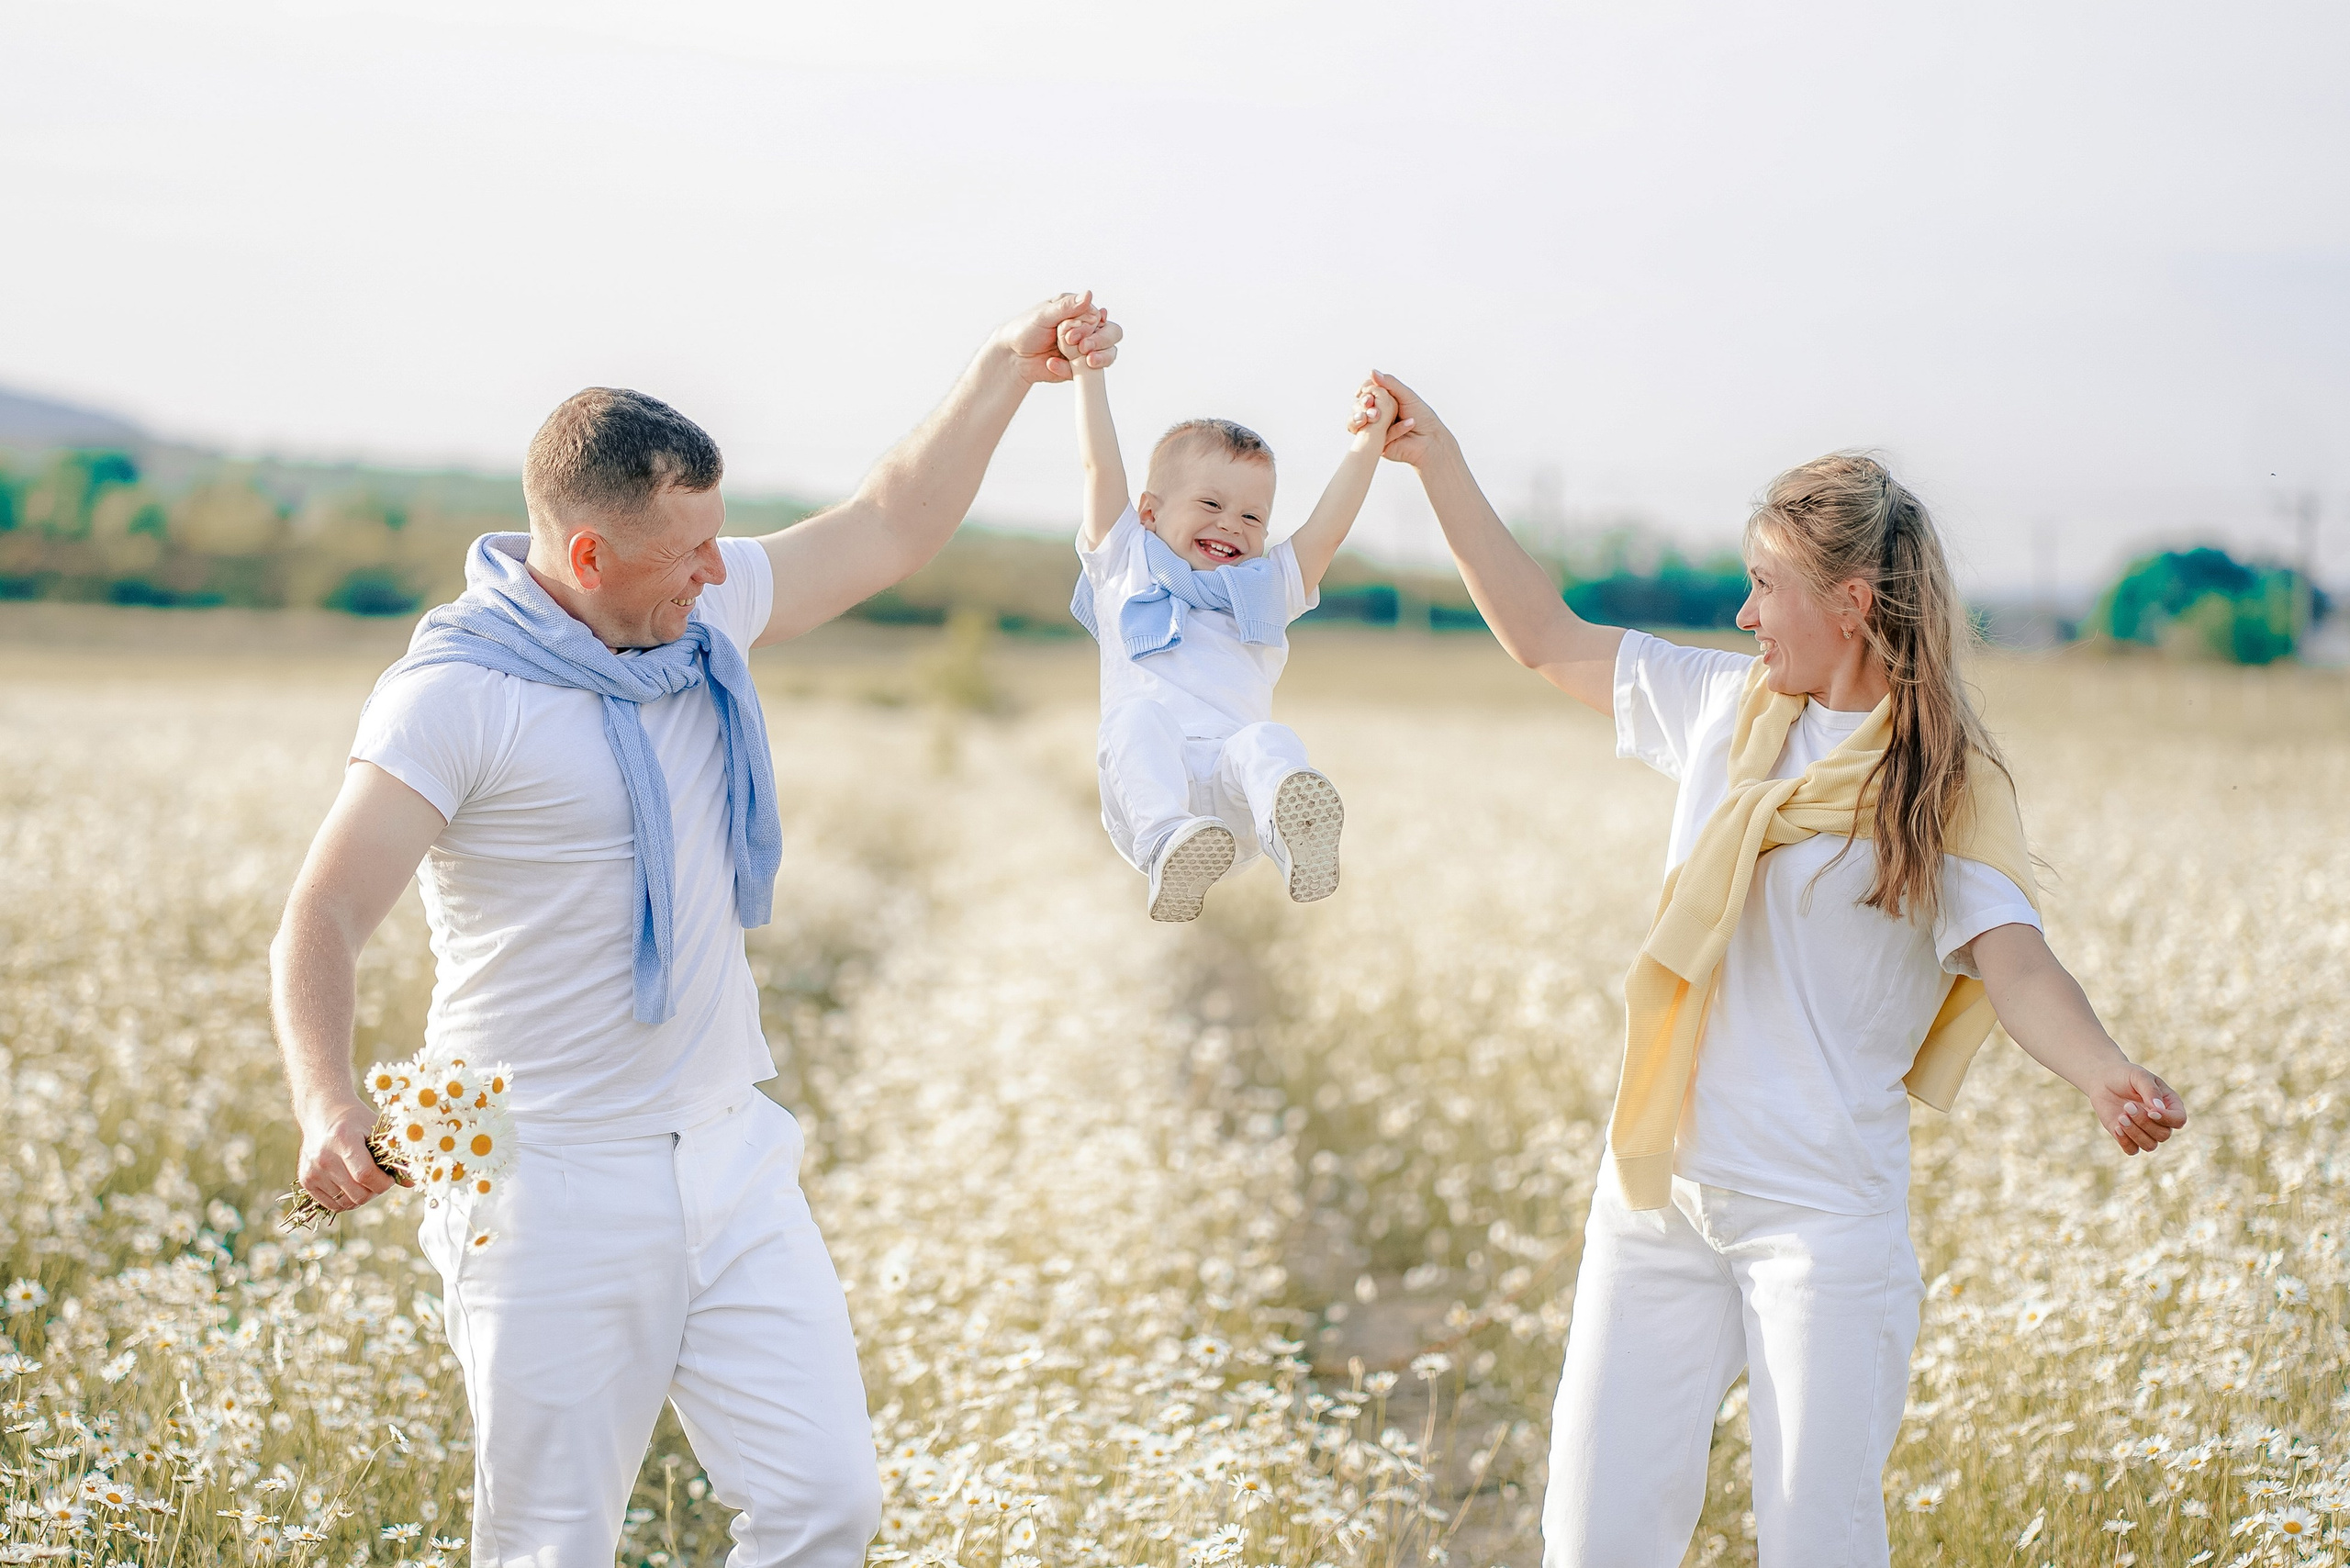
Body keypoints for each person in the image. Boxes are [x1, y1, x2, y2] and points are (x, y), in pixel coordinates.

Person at [269, 294, 1121, 1568]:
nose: (722, 570)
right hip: (540, 1178)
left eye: (720, 539)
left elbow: (887, 520)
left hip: (729, 1155)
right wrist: (327, 1107)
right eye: (689, 550)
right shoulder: (455, 697)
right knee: (550, 1547)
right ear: (593, 557)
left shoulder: (698, 624)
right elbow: (322, 914)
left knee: (826, 1506)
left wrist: (1008, 370)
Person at [1367, 373, 2189, 1568]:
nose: (1746, 617)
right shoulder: (1722, 712)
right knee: (1592, 1542)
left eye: (1766, 586)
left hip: (1820, 1227)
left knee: (1820, 1545)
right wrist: (1433, 458)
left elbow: (2016, 964)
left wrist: (2107, 1071)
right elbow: (1544, 640)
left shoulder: (1934, 786)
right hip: (1657, 1204)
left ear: (1850, 602)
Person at [1061, 302, 1396, 920]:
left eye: (1251, 517)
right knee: (1136, 720)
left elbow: (1326, 530)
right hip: (1149, 800)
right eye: (1210, 502)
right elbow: (1098, 464)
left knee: (1265, 740)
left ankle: (1294, 840)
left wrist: (1367, 442)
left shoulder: (1263, 587)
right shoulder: (1125, 565)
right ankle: (1170, 848)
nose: (1229, 525)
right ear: (1149, 512)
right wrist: (1089, 371)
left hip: (1235, 811)